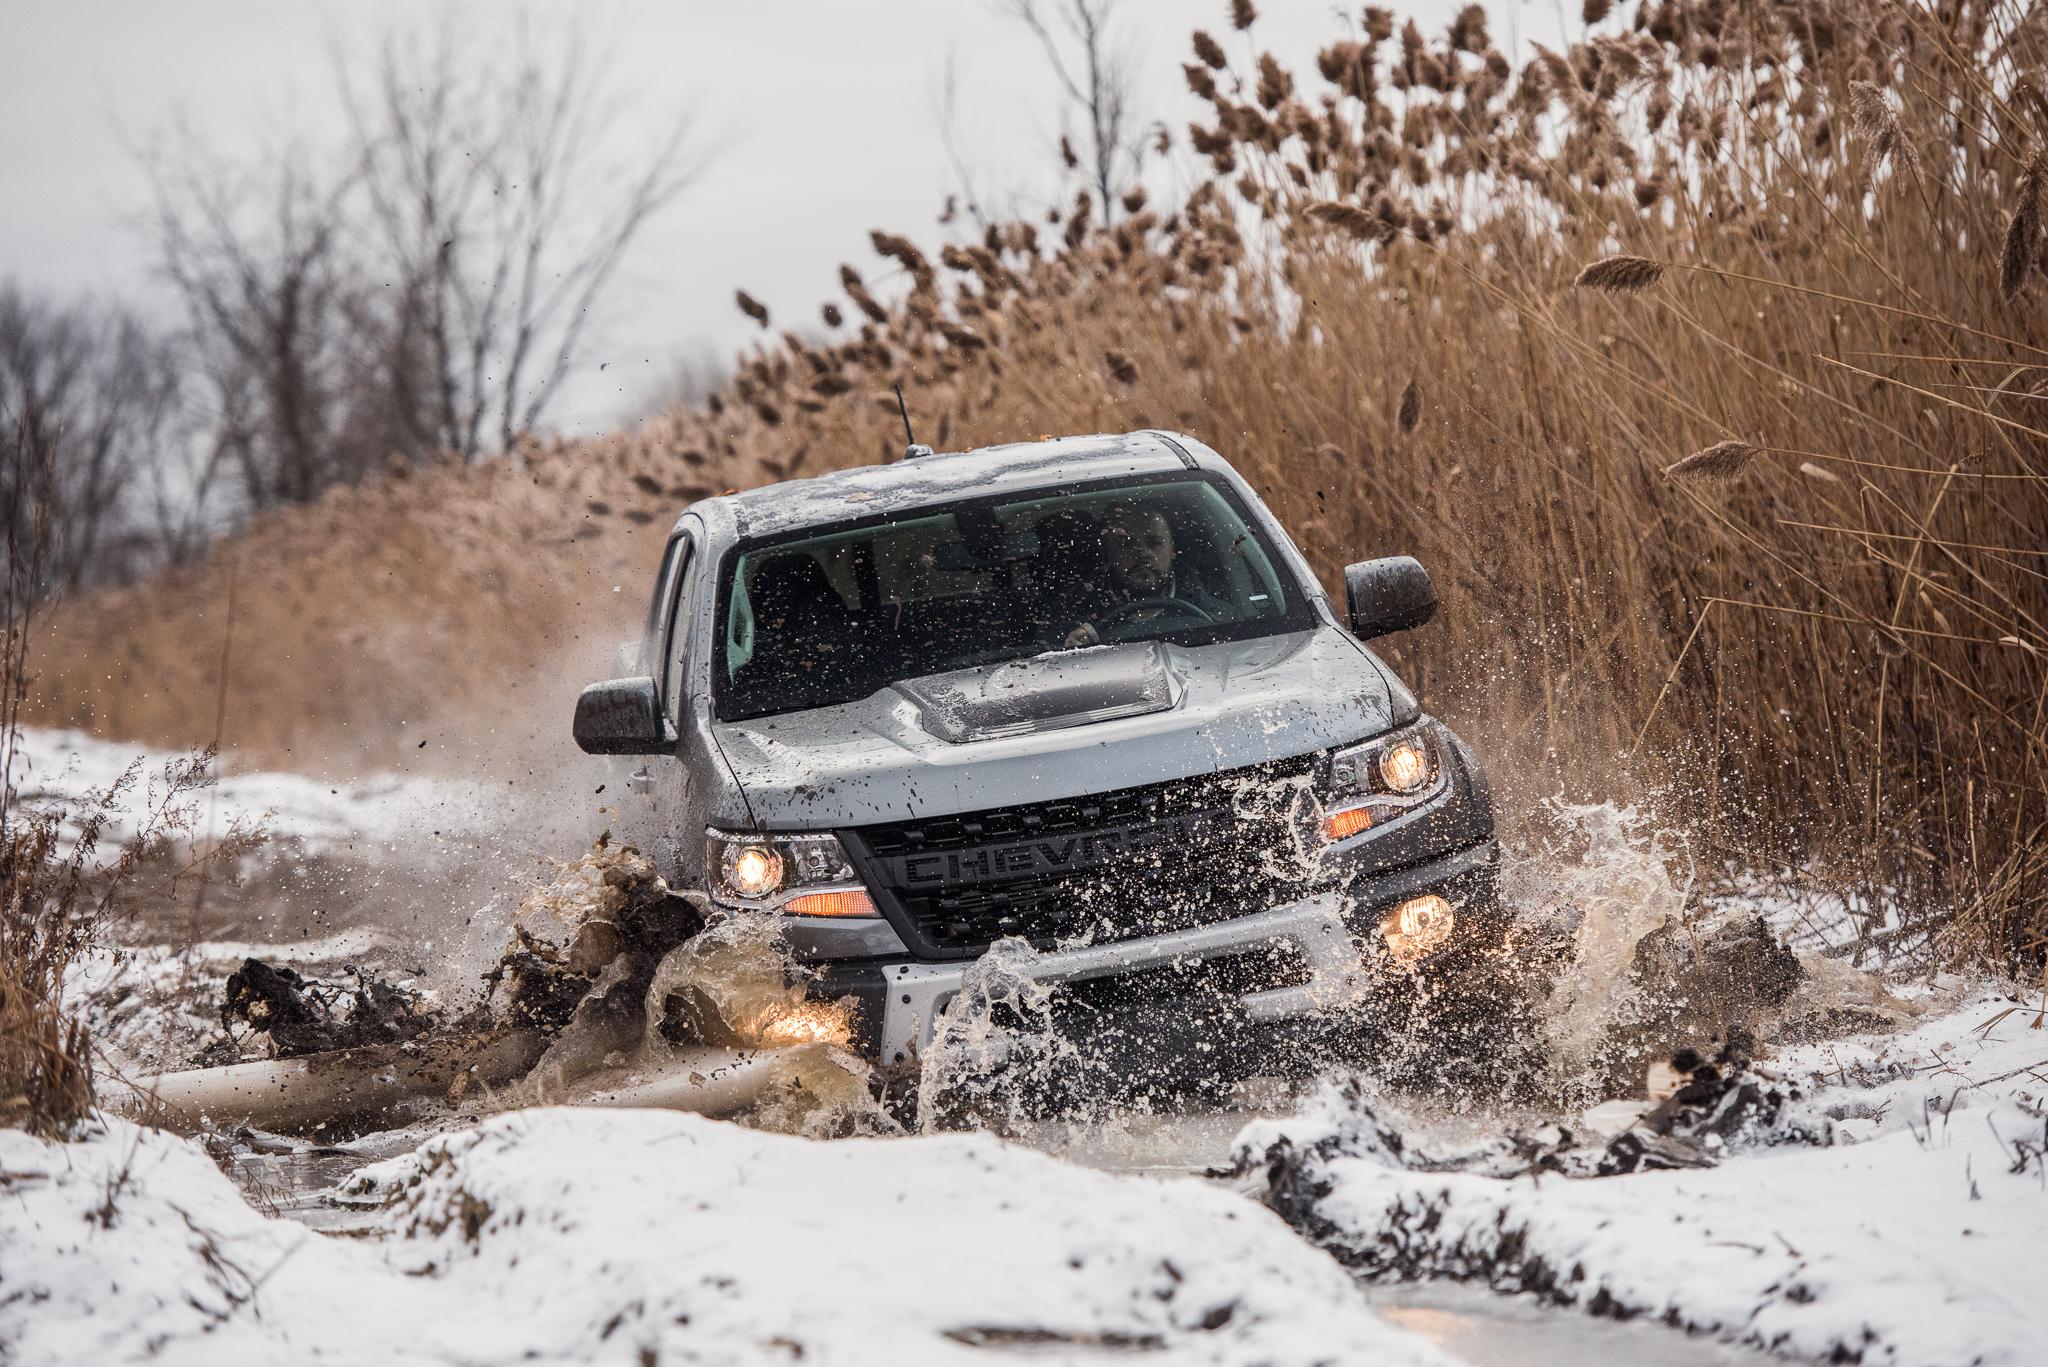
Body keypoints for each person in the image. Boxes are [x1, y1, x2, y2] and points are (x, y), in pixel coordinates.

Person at [1059, 501, 1226, 649]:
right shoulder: (1071, 617)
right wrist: (1070, 649)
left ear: (1172, 550)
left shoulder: (1220, 616)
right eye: (1127, 543)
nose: (1143, 553)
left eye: (1154, 543)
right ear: (1105, 554)